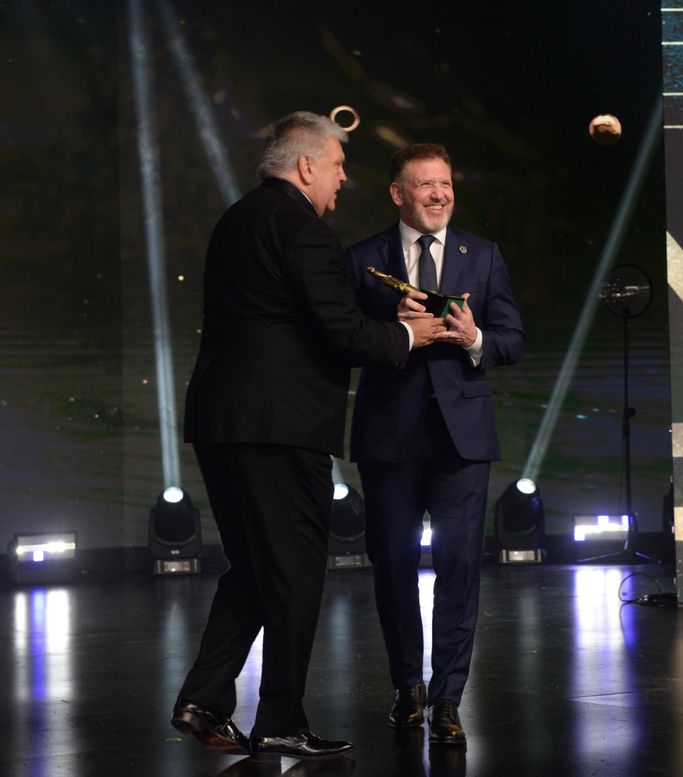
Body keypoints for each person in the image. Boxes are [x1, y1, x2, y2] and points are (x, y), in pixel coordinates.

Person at [171, 114, 444, 761]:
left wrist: (382, 323)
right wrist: (410, 334)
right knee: (294, 569)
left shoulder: (237, 221)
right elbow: (340, 332)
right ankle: (281, 719)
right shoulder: (303, 229)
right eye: (338, 165)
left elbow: (292, 319)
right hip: (280, 428)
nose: (344, 178)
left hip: (221, 421)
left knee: (257, 567)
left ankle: (205, 697)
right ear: (304, 167)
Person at [345, 143, 525, 745]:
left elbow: (512, 340)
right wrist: (393, 328)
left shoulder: (484, 255)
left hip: (462, 441)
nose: (439, 195)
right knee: (393, 568)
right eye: (425, 185)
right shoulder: (363, 259)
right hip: (389, 439)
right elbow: (342, 342)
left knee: (458, 571)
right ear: (398, 193)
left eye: (445, 183)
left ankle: (447, 699)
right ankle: (408, 690)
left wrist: (475, 338)